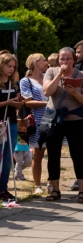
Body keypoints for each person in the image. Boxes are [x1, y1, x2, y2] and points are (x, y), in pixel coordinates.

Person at [42, 47, 83, 202]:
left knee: (78, 154)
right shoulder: (52, 72)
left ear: (74, 60)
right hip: (54, 118)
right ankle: (55, 189)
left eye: (68, 59)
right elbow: (47, 92)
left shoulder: (81, 75)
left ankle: (81, 190)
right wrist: (59, 74)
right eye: (62, 59)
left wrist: (74, 93)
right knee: (53, 154)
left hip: (75, 119)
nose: (65, 62)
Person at [0, 52, 22, 202]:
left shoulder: (14, 82)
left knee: (8, 157)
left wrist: (19, 104)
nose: (12, 69)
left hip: (11, 123)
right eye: (9, 66)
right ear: (1, 65)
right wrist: (8, 103)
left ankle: (3, 188)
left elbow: (17, 100)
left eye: (14, 67)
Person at [20, 53, 49, 194]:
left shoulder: (49, 78)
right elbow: (27, 101)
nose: (47, 62)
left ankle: (51, 182)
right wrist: (48, 103)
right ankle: (37, 185)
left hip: (54, 120)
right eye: (44, 60)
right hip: (38, 120)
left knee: (54, 154)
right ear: (36, 63)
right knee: (38, 155)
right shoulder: (26, 81)